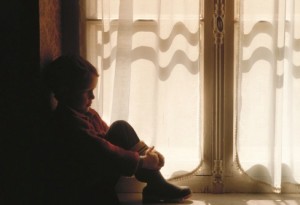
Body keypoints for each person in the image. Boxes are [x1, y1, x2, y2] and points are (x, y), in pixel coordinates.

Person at [41, 55, 191, 204]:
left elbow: (112, 140)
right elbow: (103, 151)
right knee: (119, 129)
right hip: (84, 191)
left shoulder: (85, 114)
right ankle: (156, 185)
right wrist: (143, 162)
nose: (92, 96)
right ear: (65, 91)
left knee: (121, 128)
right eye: (86, 91)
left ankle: (156, 183)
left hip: (96, 174)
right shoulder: (68, 124)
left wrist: (146, 154)